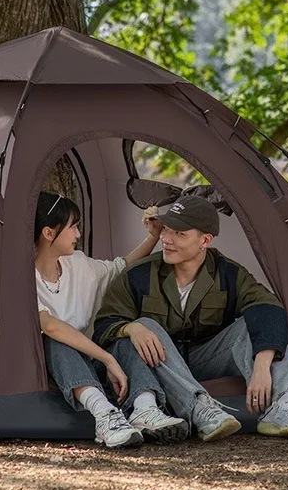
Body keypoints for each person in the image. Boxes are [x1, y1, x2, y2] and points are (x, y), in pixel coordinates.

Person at [93, 194, 288, 442]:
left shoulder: (228, 273)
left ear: (205, 241)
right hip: (160, 363)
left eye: (180, 233)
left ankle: (284, 406)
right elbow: (105, 324)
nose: (166, 240)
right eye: (166, 230)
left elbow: (268, 307)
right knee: (145, 326)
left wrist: (262, 365)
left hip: (206, 357)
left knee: (255, 325)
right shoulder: (139, 274)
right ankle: (201, 410)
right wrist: (131, 329)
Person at [35, 191, 189, 448]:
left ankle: (144, 409)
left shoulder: (78, 265)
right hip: (57, 365)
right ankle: (104, 415)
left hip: (92, 358)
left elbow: (121, 266)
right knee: (55, 341)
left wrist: (153, 236)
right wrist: (107, 359)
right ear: (49, 233)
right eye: (73, 227)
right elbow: (50, 326)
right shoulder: (23, 276)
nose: (78, 234)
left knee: (128, 338)